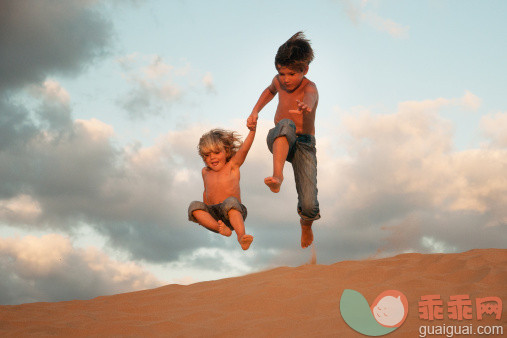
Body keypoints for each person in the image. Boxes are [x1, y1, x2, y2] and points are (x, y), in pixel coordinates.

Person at [247, 31, 320, 249]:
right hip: (280, 137)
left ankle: (306, 224)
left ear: (304, 69)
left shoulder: (309, 87)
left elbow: (311, 96)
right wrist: (255, 111)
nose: (285, 79)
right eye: (281, 73)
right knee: (286, 123)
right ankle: (277, 176)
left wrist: (306, 105)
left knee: (309, 204)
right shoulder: (278, 81)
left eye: (291, 74)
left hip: (305, 143)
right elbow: (269, 91)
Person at [188, 121, 256, 250]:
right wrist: (204, 214)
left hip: (233, 211)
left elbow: (244, 149)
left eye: (217, 152)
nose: (212, 158)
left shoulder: (232, 166)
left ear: (227, 151)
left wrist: (252, 131)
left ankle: (241, 236)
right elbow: (206, 192)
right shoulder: (205, 172)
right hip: (215, 215)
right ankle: (220, 229)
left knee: (230, 202)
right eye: (207, 155)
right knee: (194, 206)